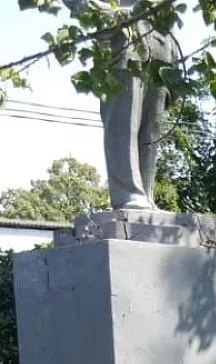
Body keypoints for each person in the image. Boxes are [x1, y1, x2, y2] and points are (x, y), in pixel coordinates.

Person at [65, 0, 182, 209]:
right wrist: (109, 14)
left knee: (151, 130)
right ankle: (128, 193)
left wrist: (172, 49)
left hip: (161, 45)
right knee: (123, 123)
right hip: (121, 42)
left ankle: (146, 194)